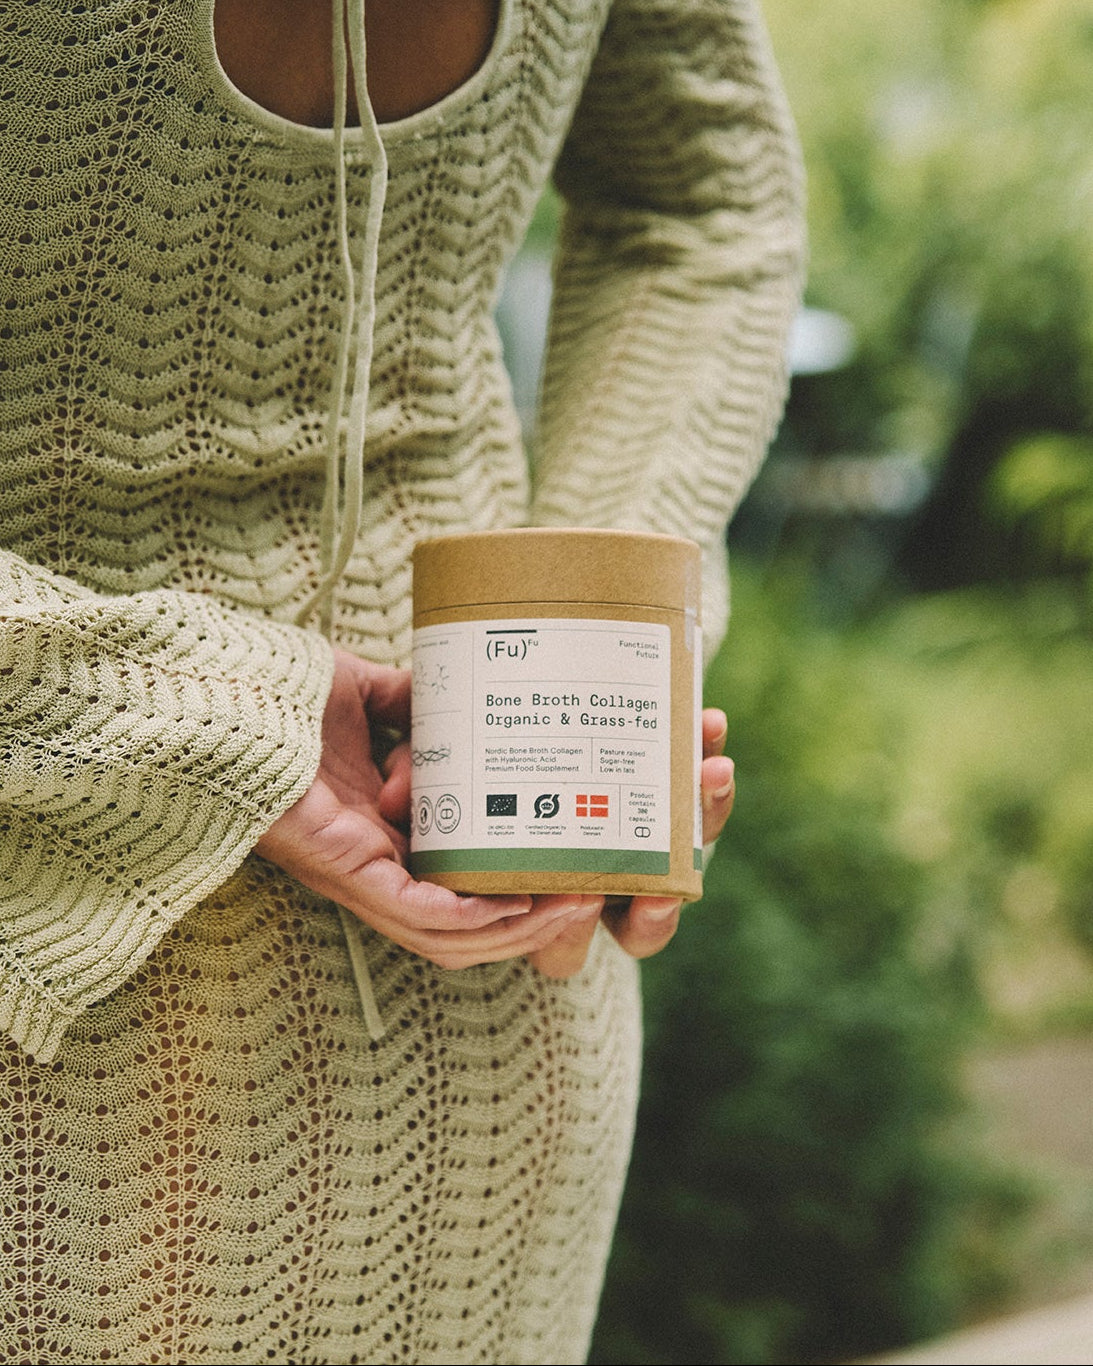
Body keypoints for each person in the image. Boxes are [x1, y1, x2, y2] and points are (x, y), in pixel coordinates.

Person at [0, 0, 804, 1361]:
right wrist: (225, 711)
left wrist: (593, 666)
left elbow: (701, 203)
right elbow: (705, 200)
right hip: (157, 943)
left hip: (491, 962)